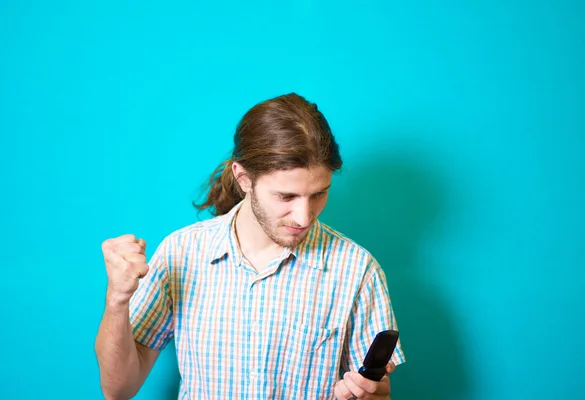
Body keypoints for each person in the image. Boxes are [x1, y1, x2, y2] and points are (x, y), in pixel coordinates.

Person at [95, 93, 406, 399]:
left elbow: (377, 392)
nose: (304, 216)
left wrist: (371, 396)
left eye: (319, 194)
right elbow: (118, 389)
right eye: (286, 197)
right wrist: (117, 299)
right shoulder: (181, 252)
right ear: (243, 178)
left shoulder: (358, 270)